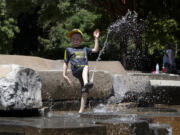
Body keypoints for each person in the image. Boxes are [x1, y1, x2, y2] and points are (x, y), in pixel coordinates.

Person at [63, 28, 100, 113]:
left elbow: (95, 50)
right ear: (70, 40)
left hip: (84, 73)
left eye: (77, 39)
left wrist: (96, 38)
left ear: (81, 40)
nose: (75, 40)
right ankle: (87, 83)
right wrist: (64, 75)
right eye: (73, 39)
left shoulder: (84, 48)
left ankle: (81, 111)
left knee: (85, 90)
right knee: (86, 67)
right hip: (76, 70)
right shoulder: (68, 50)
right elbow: (65, 62)